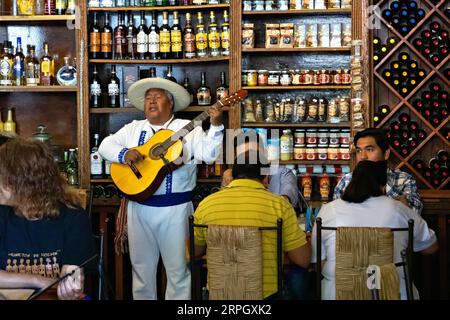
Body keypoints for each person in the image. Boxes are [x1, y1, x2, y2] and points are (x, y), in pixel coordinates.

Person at [98, 77, 224, 300]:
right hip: (139, 208)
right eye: (148, 98)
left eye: (157, 97)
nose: (151, 102)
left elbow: (209, 154)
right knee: (141, 271)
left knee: (178, 273)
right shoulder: (134, 128)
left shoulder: (187, 129)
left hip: (176, 210)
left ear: (171, 103)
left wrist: (215, 126)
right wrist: (124, 154)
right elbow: (105, 145)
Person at [194, 144, 311, 299]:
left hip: (217, 294)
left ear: (232, 175)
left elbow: (194, 252)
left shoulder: (206, 205)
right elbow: (303, 260)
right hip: (267, 296)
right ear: (265, 177)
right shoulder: (279, 206)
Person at [312, 160, 438, 300]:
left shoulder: (328, 210)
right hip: (394, 293)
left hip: (337, 293)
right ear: (383, 186)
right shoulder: (398, 209)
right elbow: (431, 247)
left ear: (352, 182)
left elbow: (317, 260)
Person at [0, 138, 96, 300]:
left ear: (24, 183)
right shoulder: (2, 215)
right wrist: (40, 280)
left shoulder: (73, 219)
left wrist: (71, 283)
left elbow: (71, 274)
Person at [333, 128, 423, 215]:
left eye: (369, 149)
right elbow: (336, 214)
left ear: (386, 154)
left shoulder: (404, 180)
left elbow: (414, 214)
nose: (363, 156)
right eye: (358, 151)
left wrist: (380, 185)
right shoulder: (346, 180)